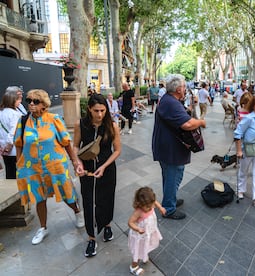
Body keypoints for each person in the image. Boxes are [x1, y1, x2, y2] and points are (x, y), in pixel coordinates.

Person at [14, 89, 84, 245]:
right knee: (39, 198)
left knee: (66, 192)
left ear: (44, 104)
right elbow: (18, 144)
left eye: (35, 101)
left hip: (55, 165)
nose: (31, 104)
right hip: (33, 168)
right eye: (29, 100)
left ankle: (77, 212)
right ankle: (43, 227)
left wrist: (74, 161)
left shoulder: (54, 119)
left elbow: (66, 142)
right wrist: (19, 164)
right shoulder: (23, 121)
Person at [73, 93, 121, 257]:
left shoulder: (112, 126)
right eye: (96, 111)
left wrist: (105, 165)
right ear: (89, 109)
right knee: (88, 201)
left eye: (102, 110)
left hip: (107, 169)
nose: (100, 114)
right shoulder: (80, 125)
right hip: (86, 170)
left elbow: (117, 150)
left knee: (106, 198)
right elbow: (74, 147)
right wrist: (77, 163)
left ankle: (106, 225)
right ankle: (91, 237)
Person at [152, 74, 206, 220]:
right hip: (170, 149)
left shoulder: (170, 100)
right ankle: (169, 208)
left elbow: (182, 115)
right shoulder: (171, 102)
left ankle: (171, 199)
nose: (185, 89)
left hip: (168, 147)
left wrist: (192, 106)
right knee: (172, 176)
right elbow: (187, 124)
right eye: (183, 87)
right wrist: (201, 122)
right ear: (177, 89)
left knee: (172, 174)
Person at [234, 94, 255, 207]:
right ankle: (240, 189)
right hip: (248, 149)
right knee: (243, 171)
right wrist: (239, 150)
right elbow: (237, 134)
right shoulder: (248, 118)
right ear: (252, 106)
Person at [128, 187, 165, 275]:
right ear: (140, 204)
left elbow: (155, 202)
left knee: (146, 245)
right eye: (148, 206)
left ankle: (144, 254)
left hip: (148, 233)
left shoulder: (150, 203)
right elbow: (130, 222)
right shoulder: (139, 212)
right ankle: (133, 267)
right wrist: (137, 228)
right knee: (138, 251)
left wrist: (160, 208)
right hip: (139, 235)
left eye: (152, 204)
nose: (152, 207)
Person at [0, 91, 22, 178]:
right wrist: (9, 144)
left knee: (9, 171)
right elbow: (14, 131)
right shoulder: (15, 114)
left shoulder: (1, 112)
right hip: (13, 148)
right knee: (17, 171)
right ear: (12, 101)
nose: (20, 102)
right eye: (18, 100)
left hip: (3, 147)